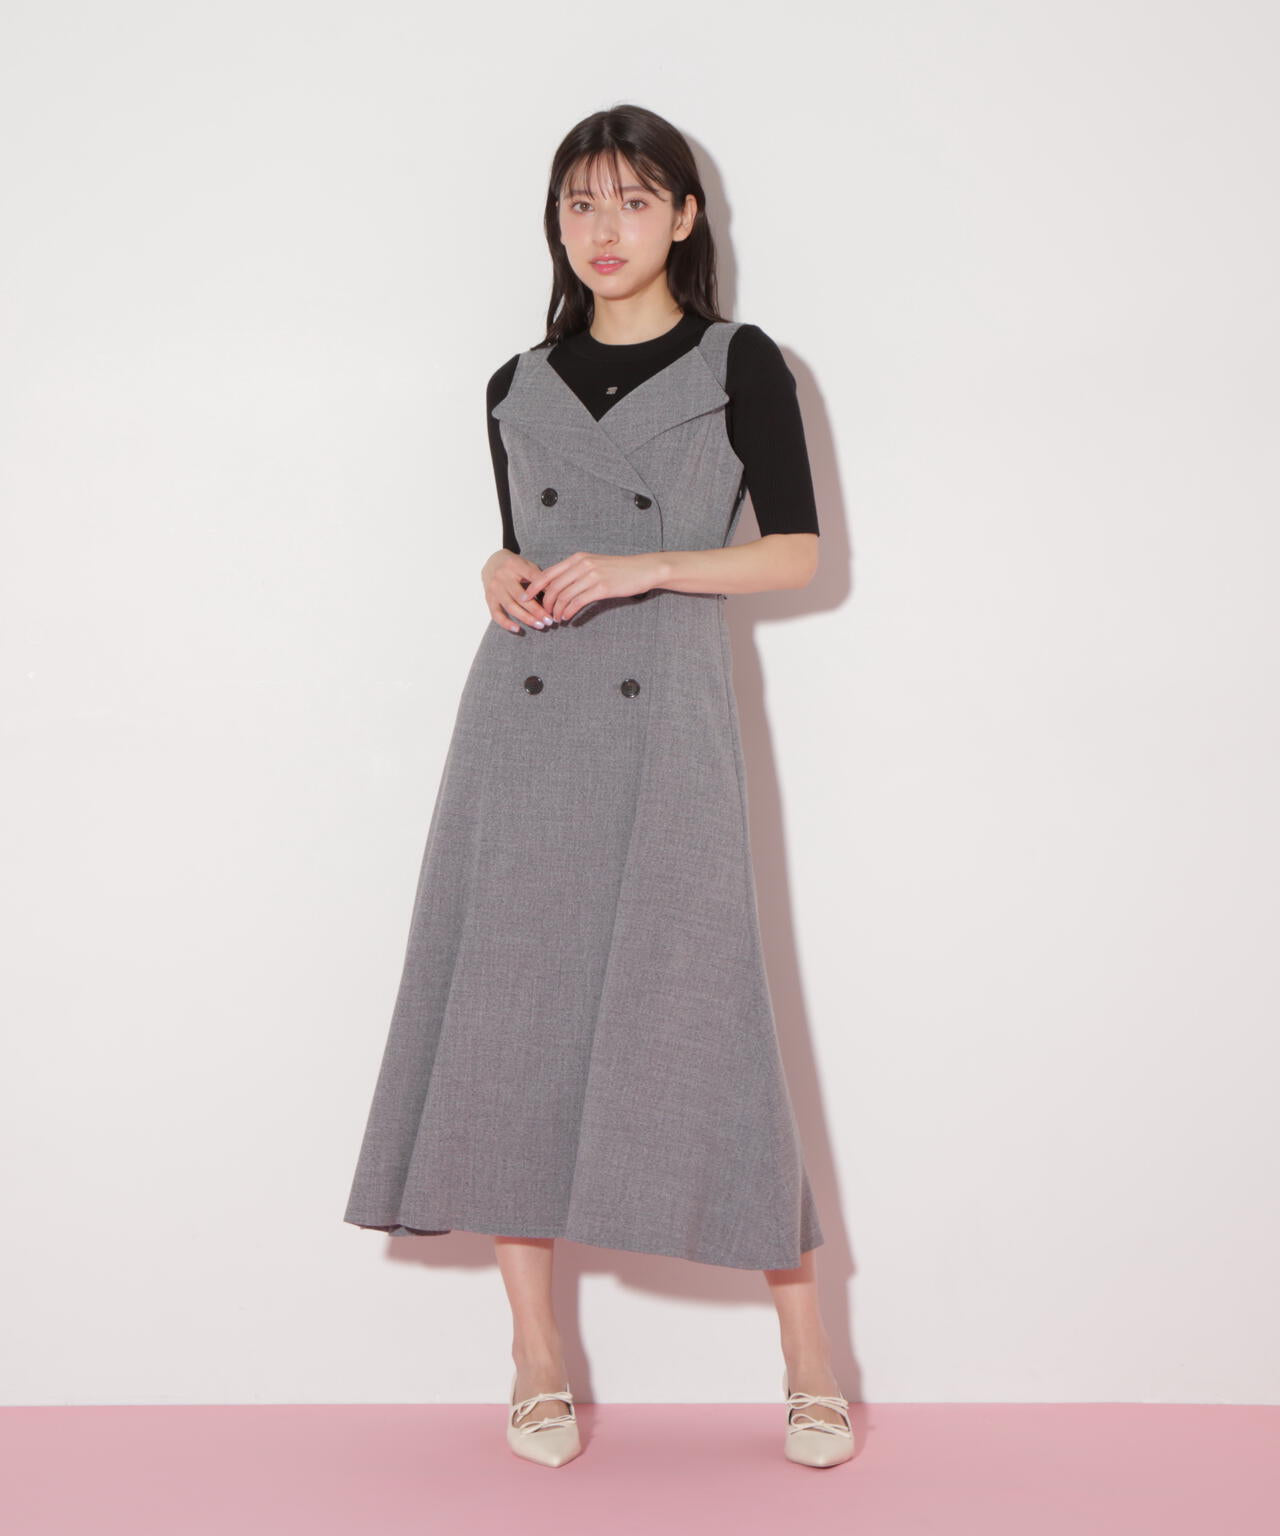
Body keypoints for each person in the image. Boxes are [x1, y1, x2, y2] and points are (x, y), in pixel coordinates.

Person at [343, 103, 853, 1470]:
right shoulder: (515, 382)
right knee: (511, 1018)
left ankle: (811, 1356)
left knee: (710, 1011)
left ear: (685, 216)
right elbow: (524, 548)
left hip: (667, 725)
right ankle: (535, 1354)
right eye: (581, 203)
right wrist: (493, 570)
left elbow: (796, 553)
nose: (605, 228)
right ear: (556, 223)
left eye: (633, 200)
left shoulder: (743, 363)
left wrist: (654, 564)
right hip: (524, 726)